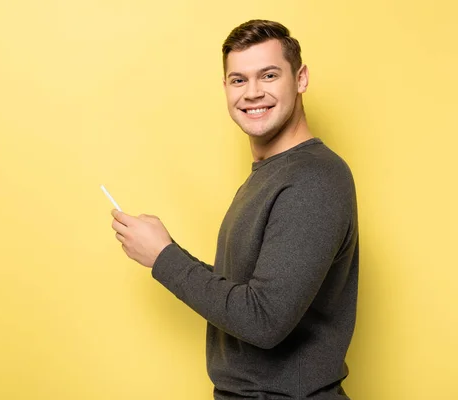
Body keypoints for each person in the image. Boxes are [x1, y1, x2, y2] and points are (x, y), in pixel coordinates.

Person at [110, 19, 359, 400]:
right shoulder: (271, 175)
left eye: (269, 75)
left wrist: (164, 257)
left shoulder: (313, 179)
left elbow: (264, 321)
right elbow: (249, 293)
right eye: (238, 80)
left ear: (301, 78)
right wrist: (163, 251)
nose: (253, 93)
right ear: (225, 88)